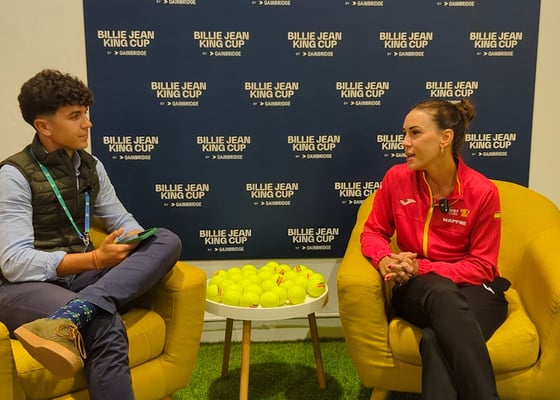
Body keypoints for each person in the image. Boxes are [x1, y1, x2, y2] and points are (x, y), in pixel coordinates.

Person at [0, 69, 182, 399]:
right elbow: (14, 264)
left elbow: (120, 219)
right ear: (44, 126)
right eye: (75, 116)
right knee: (102, 322)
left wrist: (134, 240)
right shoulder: (13, 176)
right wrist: (96, 259)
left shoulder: (91, 166)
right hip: (23, 287)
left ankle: (80, 308)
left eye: (86, 113)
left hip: (81, 280)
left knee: (165, 239)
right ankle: (88, 309)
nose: (88, 124)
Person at [360, 98, 509, 400]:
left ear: (445, 138)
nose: (405, 143)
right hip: (416, 289)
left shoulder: (482, 191)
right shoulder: (397, 178)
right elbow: (372, 232)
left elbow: (483, 266)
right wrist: (385, 257)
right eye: (404, 133)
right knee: (439, 291)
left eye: (415, 133)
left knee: (434, 339)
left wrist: (422, 266)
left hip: (474, 289)